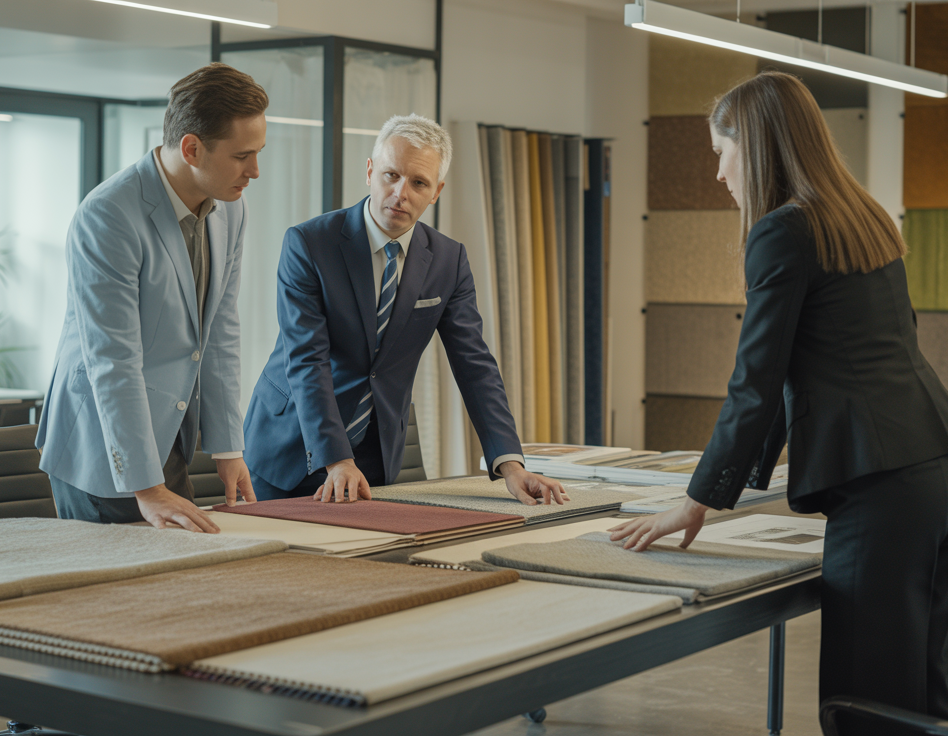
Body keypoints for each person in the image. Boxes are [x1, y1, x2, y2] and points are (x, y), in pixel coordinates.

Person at [609, 72, 948, 734]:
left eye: (721, 152)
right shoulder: (860, 214)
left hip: (884, 487)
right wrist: (739, 482)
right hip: (945, 467)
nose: (720, 173)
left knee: (864, 704)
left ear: (752, 147)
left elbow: (755, 380)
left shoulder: (782, 230)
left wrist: (697, 500)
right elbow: (814, 367)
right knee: (920, 689)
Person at [244, 114, 567, 505]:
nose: (400, 193)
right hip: (291, 445)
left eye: (418, 183)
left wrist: (511, 465)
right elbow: (307, 358)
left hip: (376, 452)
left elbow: (475, 364)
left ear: (436, 191)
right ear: (369, 171)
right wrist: (336, 459)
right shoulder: (310, 244)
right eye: (390, 175)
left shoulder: (449, 260)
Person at [36, 63, 268, 531]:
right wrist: (147, 487)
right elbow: (113, 358)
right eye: (243, 155)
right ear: (191, 148)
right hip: (103, 446)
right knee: (113, 595)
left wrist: (228, 449)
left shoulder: (230, 208)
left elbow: (220, 328)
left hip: (169, 435)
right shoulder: (109, 215)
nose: (255, 172)